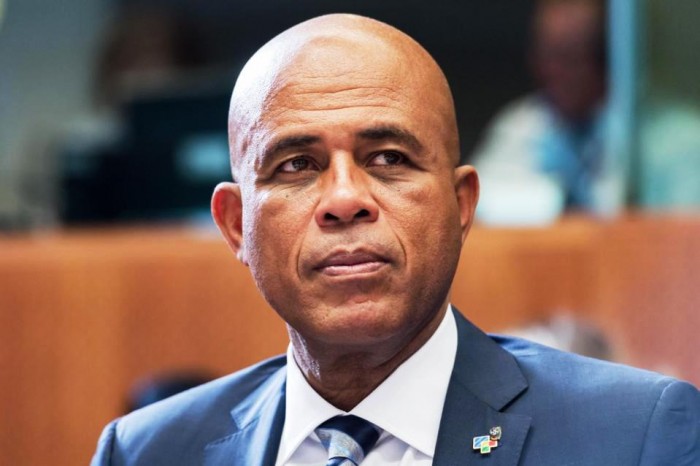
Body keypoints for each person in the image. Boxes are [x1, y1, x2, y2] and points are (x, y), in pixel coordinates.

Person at [91, 13, 699, 465]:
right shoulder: (146, 451)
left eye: (387, 158)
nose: (344, 199)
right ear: (235, 225)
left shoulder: (635, 435)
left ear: (461, 206)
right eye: (297, 165)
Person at [471, 0, 619, 222]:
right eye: (546, 56)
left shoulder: (646, 133)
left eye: (568, 57)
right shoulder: (519, 125)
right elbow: (477, 203)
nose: (552, 71)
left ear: (603, 60)